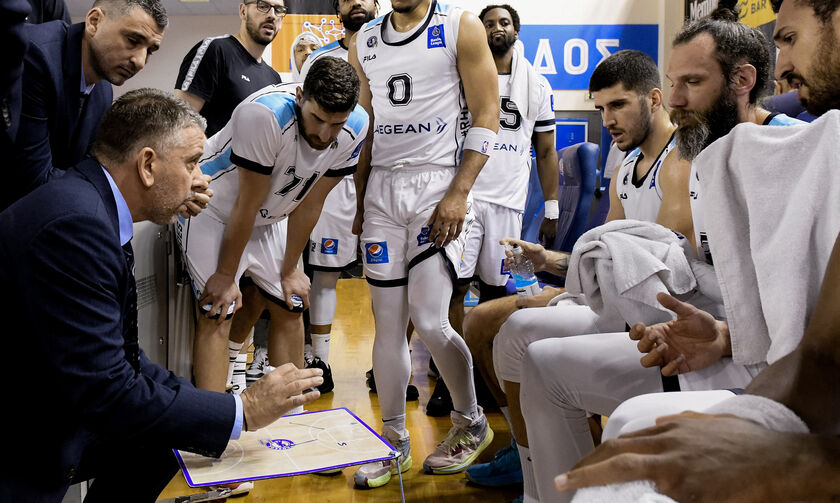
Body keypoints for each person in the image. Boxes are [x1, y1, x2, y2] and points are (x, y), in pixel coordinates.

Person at [552, 1, 840, 499]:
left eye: (790, 37)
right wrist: (746, 406)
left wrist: (805, 462)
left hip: (770, 375)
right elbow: (821, 353)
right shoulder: (716, 156)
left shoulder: (786, 149)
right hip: (748, 350)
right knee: (619, 437)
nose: (785, 64)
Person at [0, 88, 324, 503]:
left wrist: (218, 414)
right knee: (164, 432)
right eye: (191, 163)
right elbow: (110, 392)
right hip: (18, 441)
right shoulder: (76, 226)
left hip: (51, 409)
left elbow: (128, 363)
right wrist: (241, 410)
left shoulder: (92, 207)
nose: (200, 179)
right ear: (148, 165)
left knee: (171, 435)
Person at [462, 48, 687, 500]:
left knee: (532, 346)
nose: (607, 119)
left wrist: (563, 270)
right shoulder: (625, 168)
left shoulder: (682, 160)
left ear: (656, 98)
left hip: (656, 314)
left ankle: (568, 472)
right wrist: (546, 261)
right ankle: (532, 477)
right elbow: (610, 259)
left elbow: (656, 275)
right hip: (616, 301)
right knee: (513, 333)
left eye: (618, 105)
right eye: (601, 108)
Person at [348, 0, 499, 488]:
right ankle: (393, 442)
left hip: (438, 185)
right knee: (387, 326)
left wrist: (459, 192)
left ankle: (470, 421)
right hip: (382, 194)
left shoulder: (461, 25)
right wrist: (358, 198)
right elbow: (363, 128)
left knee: (432, 321)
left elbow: (487, 112)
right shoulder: (365, 40)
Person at [178, 57, 368, 404]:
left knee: (291, 302)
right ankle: (213, 425)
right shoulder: (262, 115)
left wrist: (290, 269)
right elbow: (245, 205)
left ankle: (291, 422)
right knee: (218, 308)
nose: (324, 134)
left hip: (269, 217)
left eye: (336, 124)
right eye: (317, 119)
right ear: (299, 96)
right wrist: (224, 274)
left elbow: (311, 204)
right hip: (214, 209)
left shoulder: (357, 125)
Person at [426, 3, 559, 420]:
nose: (497, 28)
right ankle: (451, 379)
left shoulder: (536, 83)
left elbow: (547, 149)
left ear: (516, 30)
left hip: (506, 200)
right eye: (489, 24)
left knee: (502, 291)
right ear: (479, 33)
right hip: (463, 197)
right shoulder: (459, 74)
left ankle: (495, 374)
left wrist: (552, 205)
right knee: (453, 286)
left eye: (504, 22)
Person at [3, 0, 166, 209]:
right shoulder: (36, 56)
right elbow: (35, 181)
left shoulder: (103, 90)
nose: (140, 61)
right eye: (133, 40)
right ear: (94, 22)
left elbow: (87, 168)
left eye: (150, 50)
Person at [297, 0, 378, 394]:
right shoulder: (319, 60)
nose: (356, 2)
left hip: (386, 180)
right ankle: (321, 362)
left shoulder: (397, 51)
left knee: (391, 280)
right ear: (338, 8)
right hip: (334, 179)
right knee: (323, 273)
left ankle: (388, 365)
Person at [175, 0, 285, 137]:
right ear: (243, 11)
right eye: (263, 6)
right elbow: (178, 123)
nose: (272, 15)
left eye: (279, 10)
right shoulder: (215, 50)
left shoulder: (273, 78)